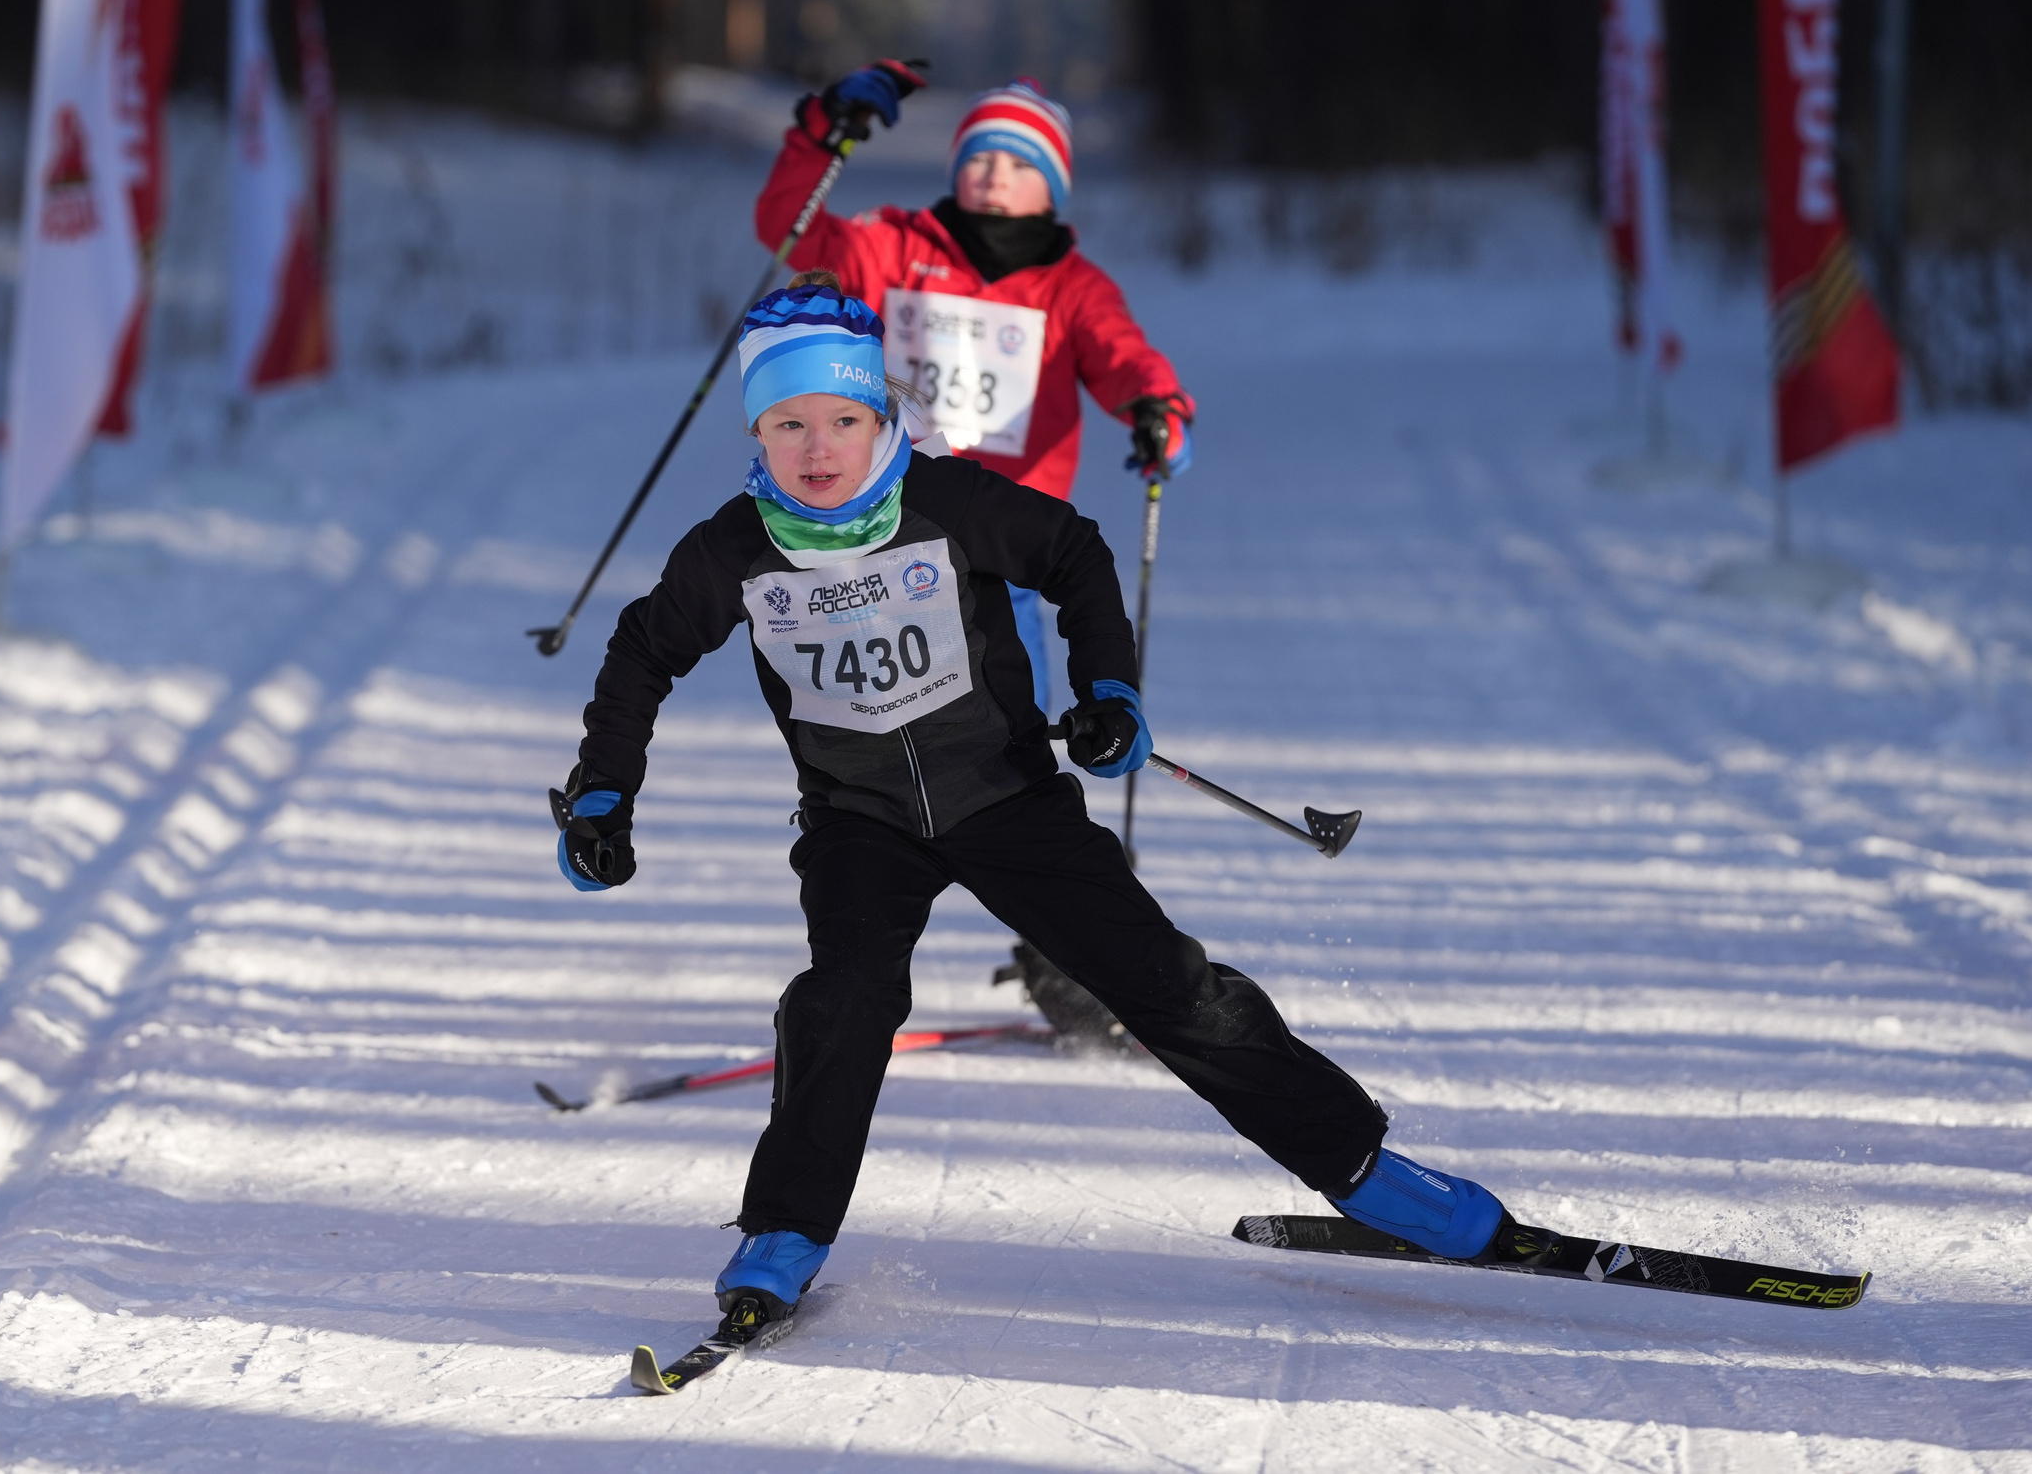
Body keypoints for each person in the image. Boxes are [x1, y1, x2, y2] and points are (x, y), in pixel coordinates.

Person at [553, 274, 1507, 1325]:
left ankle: (1366, 1171)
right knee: (844, 1001)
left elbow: (1072, 553)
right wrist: (602, 795)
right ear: (756, 431)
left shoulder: (948, 502)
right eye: (786, 424)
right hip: (857, 821)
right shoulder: (732, 548)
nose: (815, 448)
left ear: (882, 417)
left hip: (1007, 797)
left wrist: (1106, 688)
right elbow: (642, 652)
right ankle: (783, 1232)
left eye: (841, 419)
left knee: (1164, 987)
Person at [755, 66, 1192, 703]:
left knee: (1014, 704)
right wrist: (822, 130)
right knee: (889, 709)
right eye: (980, 158)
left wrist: (1159, 410)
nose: (994, 176)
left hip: (1007, 531)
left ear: (1054, 186)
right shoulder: (894, 247)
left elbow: (1121, 355)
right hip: (896, 515)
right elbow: (787, 228)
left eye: (1020, 165)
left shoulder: (1073, 287)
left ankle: (1025, 789)